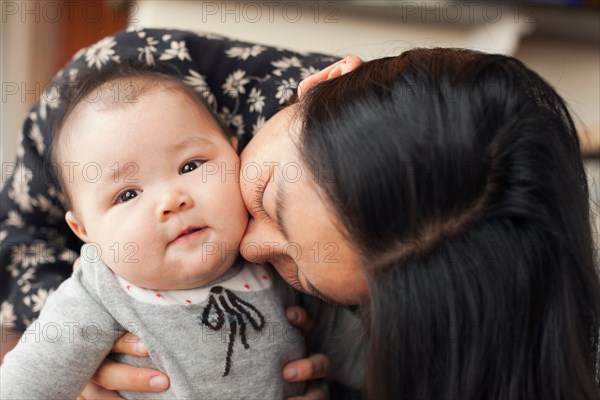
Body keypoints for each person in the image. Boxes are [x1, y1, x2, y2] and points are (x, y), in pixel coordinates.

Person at [2, 29, 599, 399]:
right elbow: (20, 236)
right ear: (321, 83)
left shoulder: (469, 271)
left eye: (306, 276)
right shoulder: (135, 84)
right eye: (263, 202)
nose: (253, 250)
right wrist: (88, 353)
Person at [0, 65, 340, 399]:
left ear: (235, 153)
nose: (171, 201)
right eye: (127, 194)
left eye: (191, 166)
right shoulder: (99, 292)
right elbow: (25, 384)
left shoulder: (267, 249)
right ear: (85, 230)